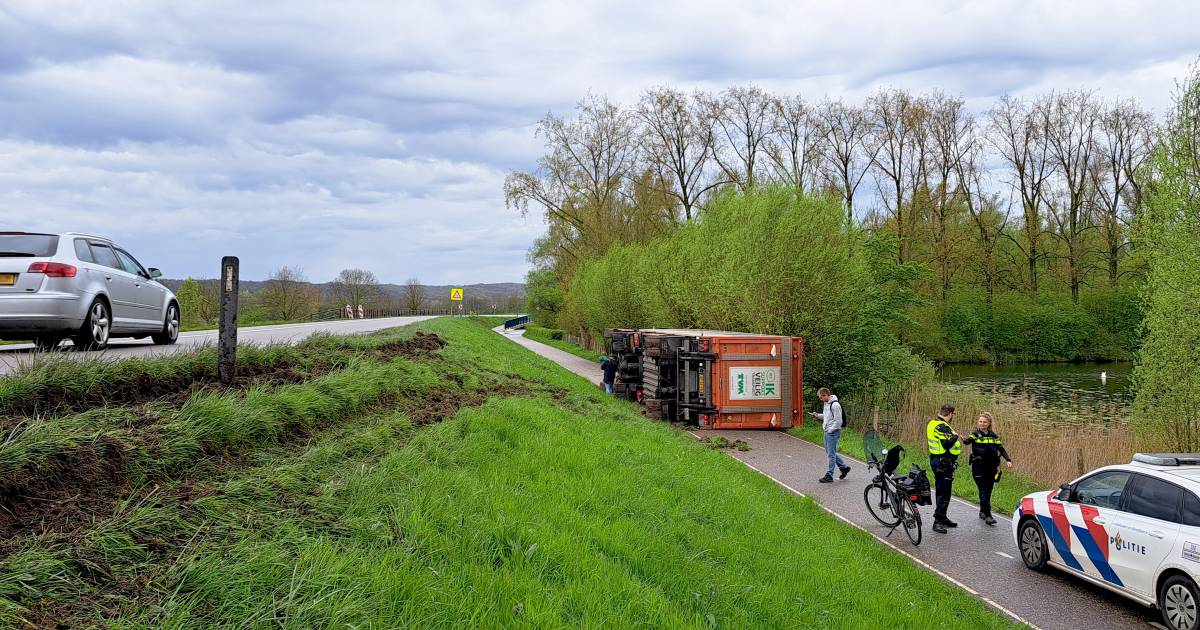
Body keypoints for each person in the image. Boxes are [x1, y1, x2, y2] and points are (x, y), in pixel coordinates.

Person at [962, 412, 1013, 526]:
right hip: (978, 467)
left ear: (989, 423)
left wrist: (1008, 460)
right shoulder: (975, 434)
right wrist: (963, 439)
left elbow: (1001, 448)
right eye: (980, 421)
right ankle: (988, 515)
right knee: (983, 490)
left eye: (984, 422)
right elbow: (967, 441)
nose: (982, 423)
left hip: (991, 468)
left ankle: (982, 511)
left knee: (988, 491)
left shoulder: (993, 436)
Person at [926, 403, 962, 534]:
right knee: (944, 492)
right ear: (951, 414)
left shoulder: (933, 423)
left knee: (942, 490)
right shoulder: (941, 426)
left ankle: (942, 517)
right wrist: (955, 436)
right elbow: (946, 444)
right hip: (942, 462)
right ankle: (938, 522)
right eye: (953, 415)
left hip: (939, 461)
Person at [809, 387, 851, 483]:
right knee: (830, 452)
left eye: (821, 397)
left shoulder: (835, 405)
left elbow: (838, 421)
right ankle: (844, 468)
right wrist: (817, 415)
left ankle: (829, 475)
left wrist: (831, 430)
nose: (820, 399)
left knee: (831, 455)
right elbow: (827, 416)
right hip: (827, 431)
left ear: (825, 395)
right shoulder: (826, 404)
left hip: (832, 432)